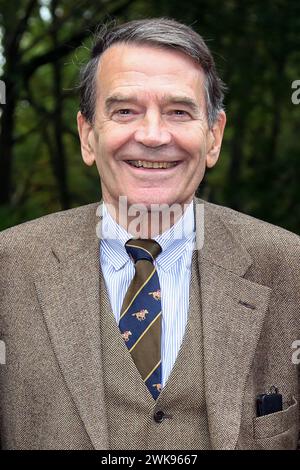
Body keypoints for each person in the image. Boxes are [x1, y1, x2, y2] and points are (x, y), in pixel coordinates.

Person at [0, 18, 299, 451]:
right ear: (87, 136)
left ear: (213, 136)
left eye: (179, 111)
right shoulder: (8, 268)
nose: (153, 136)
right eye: (124, 111)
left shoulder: (290, 267)